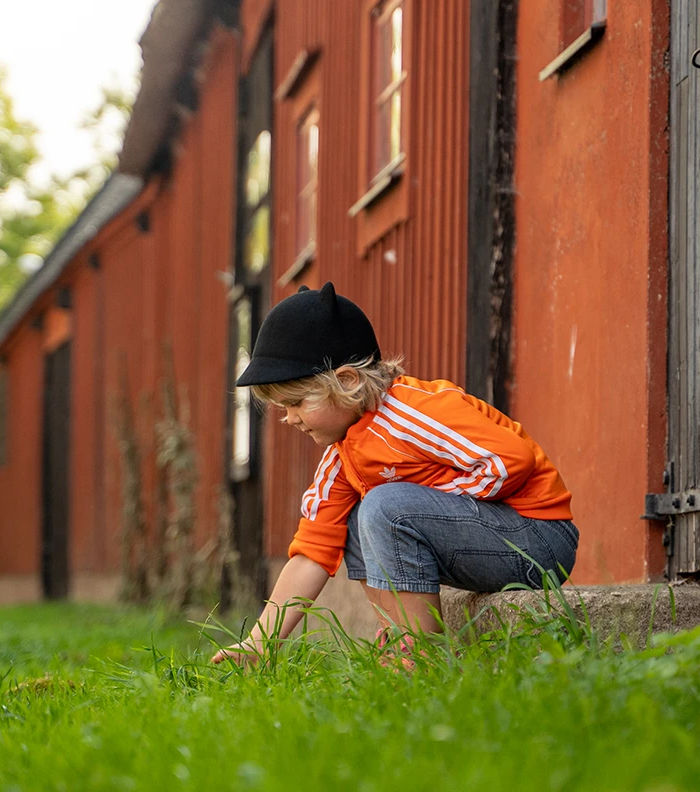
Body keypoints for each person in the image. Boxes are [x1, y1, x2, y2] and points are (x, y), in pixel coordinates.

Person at [210, 281, 577, 665]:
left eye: (297, 402)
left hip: (538, 540)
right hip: (485, 547)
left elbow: (510, 460)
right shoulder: (343, 455)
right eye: (282, 409)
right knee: (360, 516)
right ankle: (400, 633)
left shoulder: (409, 414)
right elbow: (311, 555)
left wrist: (419, 499)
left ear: (348, 381)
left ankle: (419, 654)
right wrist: (259, 642)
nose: (289, 419)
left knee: (385, 505)